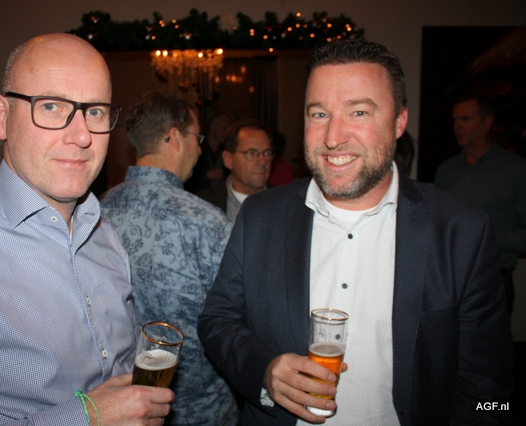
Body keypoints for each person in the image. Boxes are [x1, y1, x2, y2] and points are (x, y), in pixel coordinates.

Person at [198, 38, 513, 426]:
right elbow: (217, 321)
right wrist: (263, 369)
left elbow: (489, 392)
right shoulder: (260, 216)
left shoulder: (460, 231)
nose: (333, 137)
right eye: (319, 114)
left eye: (358, 112)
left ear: (399, 121)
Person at [0, 33, 174, 425]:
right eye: (51, 106)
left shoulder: (103, 234)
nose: (82, 136)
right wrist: (86, 418)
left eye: (95, 112)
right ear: (1, 116)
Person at [100, 91, 238, 425]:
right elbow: (237, 320)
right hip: (201, 410)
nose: (200, 149)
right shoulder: (206, 222)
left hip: (119, 407)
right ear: (175, 137)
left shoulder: (96, 212)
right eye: (197, 138)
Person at [434, 93, 526, 316]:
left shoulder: (516, 169)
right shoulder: (446, 170)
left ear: (487, 122)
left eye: (465, 119)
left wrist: (483, 236)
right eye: (455, 120)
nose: (458, 126)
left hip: (492, 279)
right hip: (447, 279)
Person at [197, 119, 273, 222]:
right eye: (252, 153)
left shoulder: (286, 202)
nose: (263, 161)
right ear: (228, 159)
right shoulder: (203, 205)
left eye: (267, 153)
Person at [184, 110, 230, 193]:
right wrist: (206, 175)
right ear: (213, 127)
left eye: (227, 128)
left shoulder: (226, 151)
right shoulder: (197, 148)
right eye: (223, 128)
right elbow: (186, 177)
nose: (226, 132)